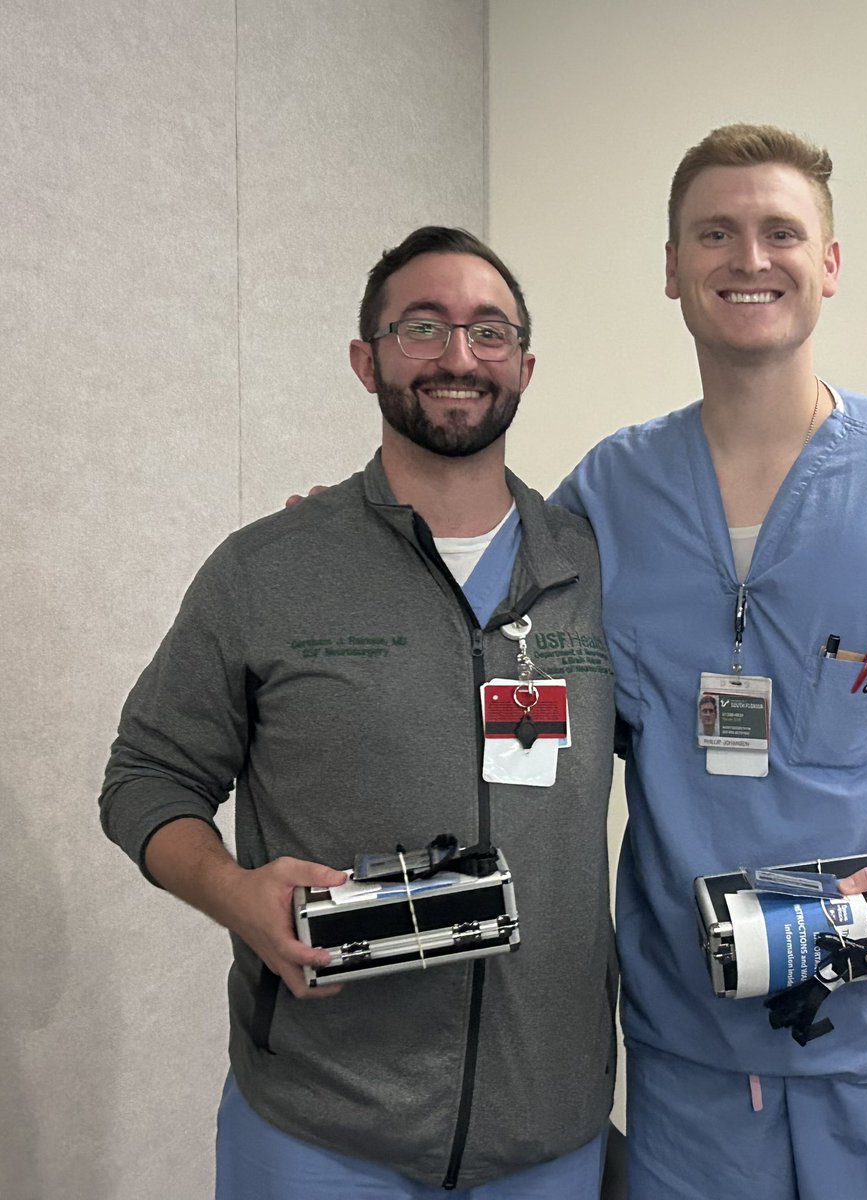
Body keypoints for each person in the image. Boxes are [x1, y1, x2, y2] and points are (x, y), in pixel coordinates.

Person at [552, 124, 867, 1199]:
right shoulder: (606, 495)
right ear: (673, 267)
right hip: (695, 1039)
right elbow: (498, 642)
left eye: (782, 232)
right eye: (715, 234)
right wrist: (367, 541)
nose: (749, 258)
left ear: (829, 264)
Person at [99, 227, 619, 1199]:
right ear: (365, 358)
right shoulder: (272, 570)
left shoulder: (593, 568)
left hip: (547, 1130)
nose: (459, 356)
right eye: (422, 327)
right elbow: (145, 778)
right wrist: (231, 892)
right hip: (321, 1125)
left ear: (526, 365)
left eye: (489, 331)